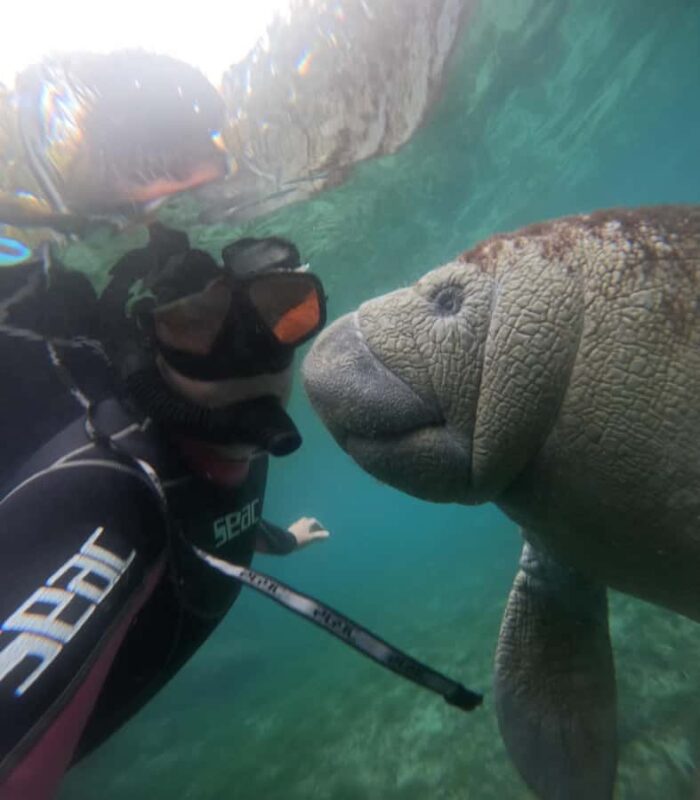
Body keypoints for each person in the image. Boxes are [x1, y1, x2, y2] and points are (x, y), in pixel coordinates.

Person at [0, 223, 330, 800]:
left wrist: (282, 539)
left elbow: (212, 513)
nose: (251, 361)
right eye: (196, 326)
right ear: (144, 354)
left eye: (282, 315)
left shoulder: (230, 441)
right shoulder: (109, 500)